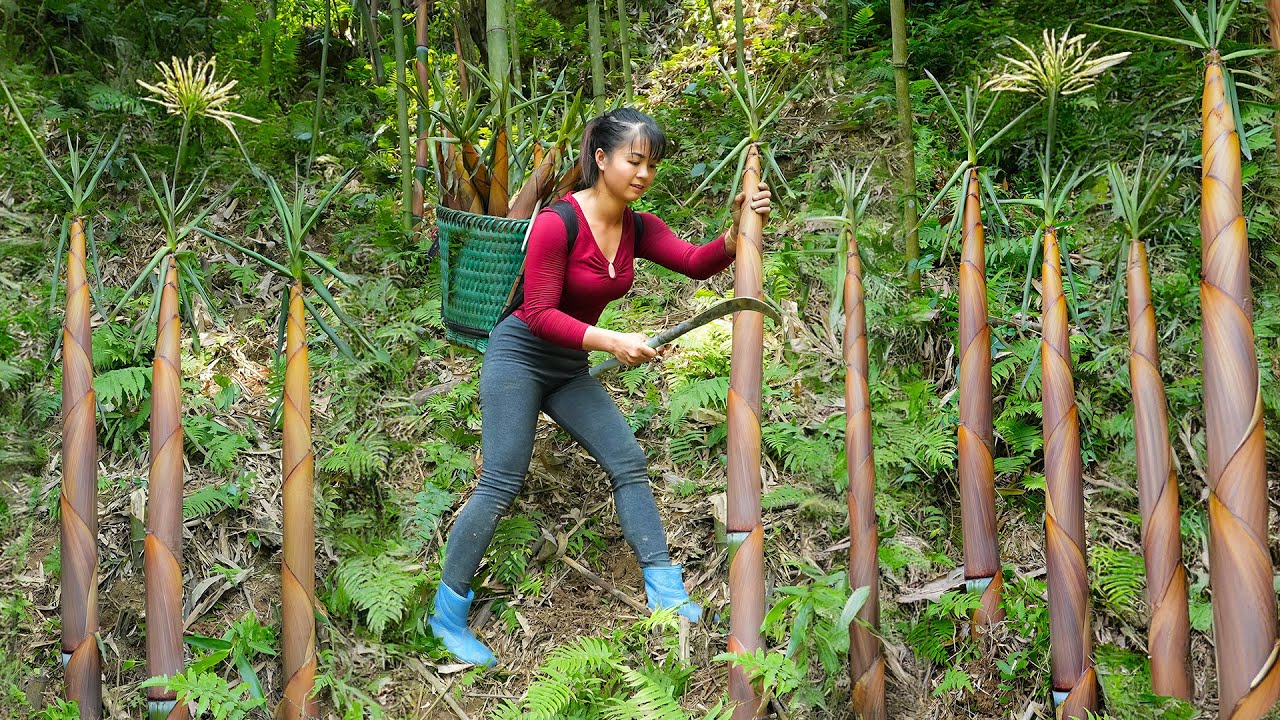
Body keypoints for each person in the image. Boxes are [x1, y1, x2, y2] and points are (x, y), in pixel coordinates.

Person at [428, 107, 772, 667]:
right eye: (634, 160)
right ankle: (446, 615)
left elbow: (695, 262)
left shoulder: (638, 226)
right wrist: (611, 340)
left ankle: (664, 589)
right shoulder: (557, 222)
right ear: (601, 158)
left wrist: (737, 232)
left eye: (651, 165)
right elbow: (537, 313)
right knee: (501, 481)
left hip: (567, 368)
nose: (643, 174)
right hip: (517, 357)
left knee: (627, 461)